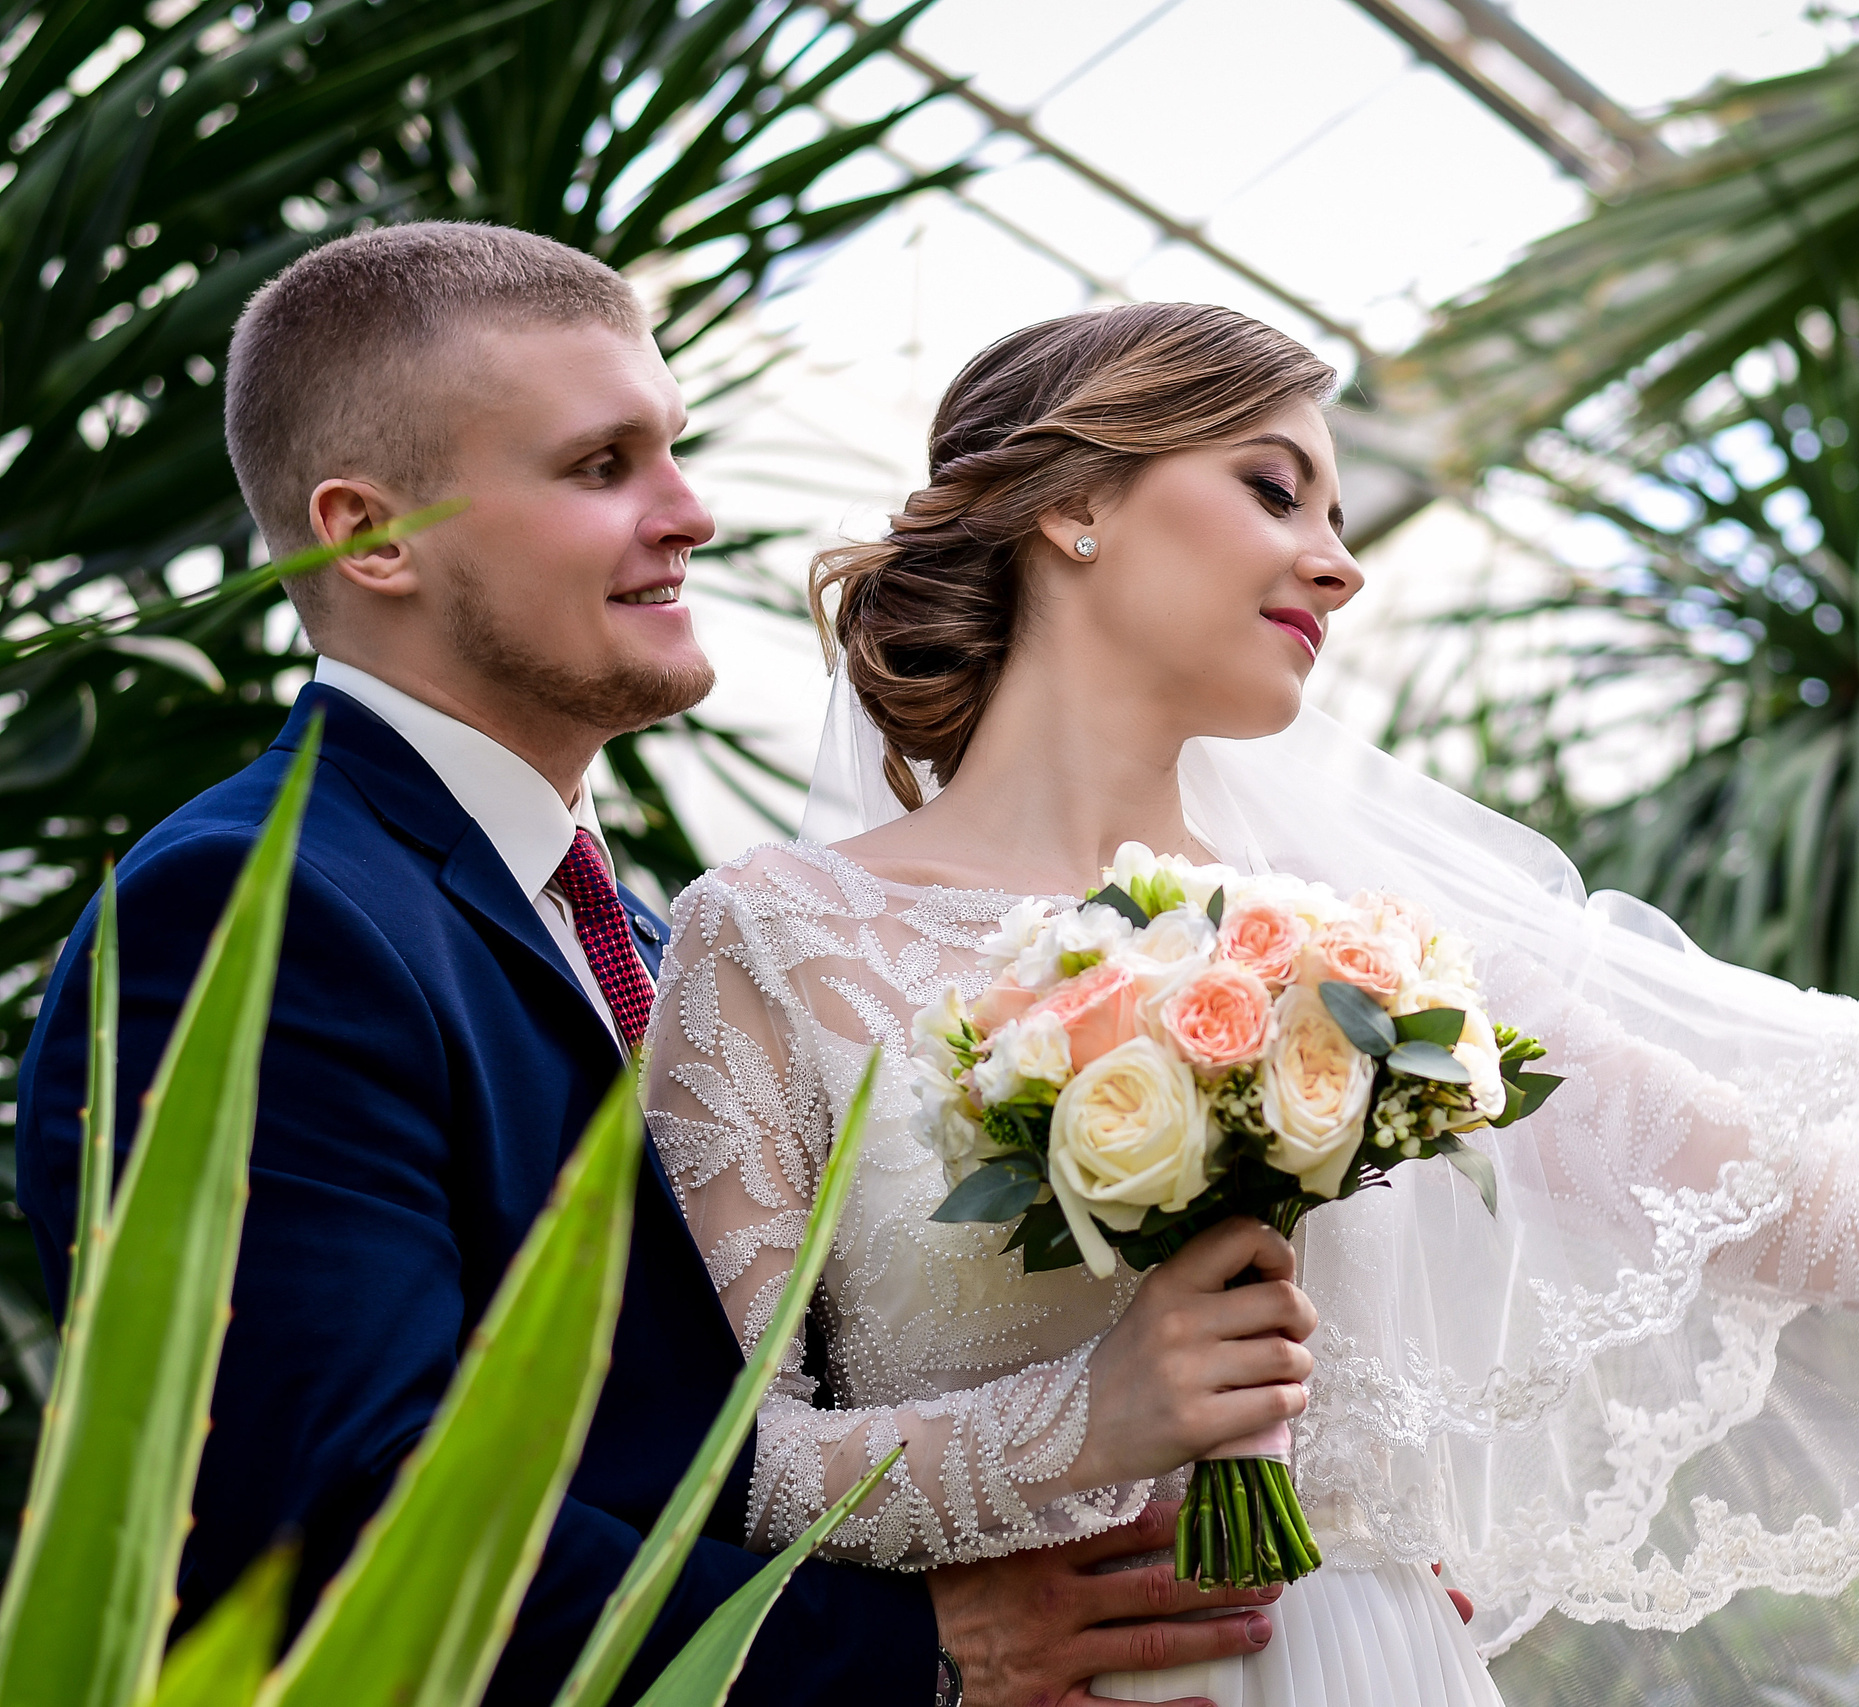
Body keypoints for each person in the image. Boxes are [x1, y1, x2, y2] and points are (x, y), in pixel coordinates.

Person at [643, 299, 1859, 1706]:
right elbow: (733, 1470)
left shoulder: (1373, 956)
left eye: (1338, 507)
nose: (1339, 560)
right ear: (1071, 506)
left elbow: (1822, 1210)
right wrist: (1095, 1415)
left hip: (1357, 1662)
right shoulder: (770, 944)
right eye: (1273, 486)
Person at [15, 226, 1300, 1707]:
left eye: (673, 450)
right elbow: (344, 1520)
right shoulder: (255, 912)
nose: (689, 512)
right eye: (601, 466)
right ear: (372, 537)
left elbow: (740, 1421)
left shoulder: (638, 936)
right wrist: (918, 1655)